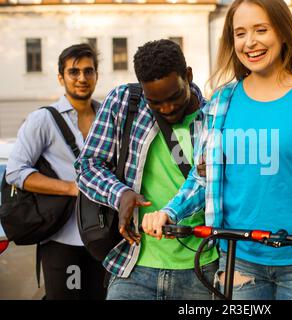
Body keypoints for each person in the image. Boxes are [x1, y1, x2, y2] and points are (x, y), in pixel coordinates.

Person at [145, 0, 292, 300]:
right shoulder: (221, 103)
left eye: (261, 30)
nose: (250, 42)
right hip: (239, 263)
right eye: (240, 33)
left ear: (282, 32)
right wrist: (170, 211)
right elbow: (204, 176)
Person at [75, 39, 218, 300]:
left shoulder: (214, 117)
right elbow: (87, 166)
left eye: (174, 97)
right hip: (135, 266)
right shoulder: (123, 102)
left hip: (201, 268)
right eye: (156, 102)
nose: (167, 108)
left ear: (188, 76)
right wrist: (120, 194)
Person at [6, 43, 106, 300]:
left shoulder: (107, 117)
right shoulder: (43, 119)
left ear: (96, 75)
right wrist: (71, 188)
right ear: (61, 77)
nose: (82, 78)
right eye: (74, 72)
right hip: (61, 239)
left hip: (102, 238)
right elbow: (15, 172)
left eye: (88, 71)